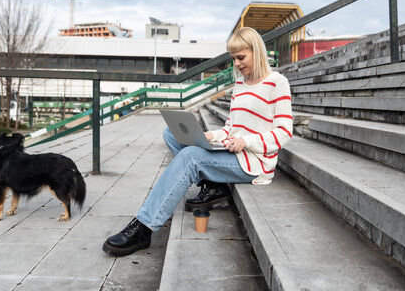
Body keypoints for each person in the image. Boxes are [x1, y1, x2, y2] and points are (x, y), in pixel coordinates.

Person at [102, 27, 293, 257]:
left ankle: (143, 227)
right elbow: (232, 126)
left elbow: (284, 132)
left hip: (254, 162)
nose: (237, 64)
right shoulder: (240, 85)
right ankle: (214, 184)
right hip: (234, 150)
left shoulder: (277, 83)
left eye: (241, 57)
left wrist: (247, 141)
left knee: (190, 157)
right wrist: (212, 136)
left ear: (257, 52)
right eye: (234, 59)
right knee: (170, 134)